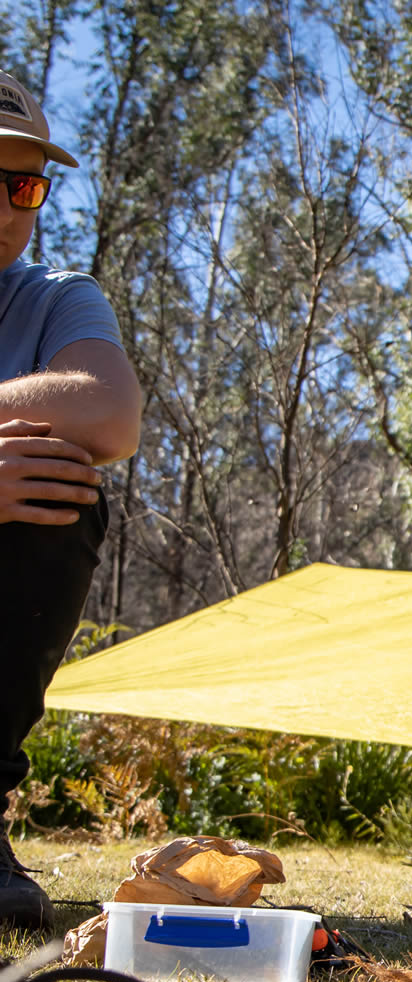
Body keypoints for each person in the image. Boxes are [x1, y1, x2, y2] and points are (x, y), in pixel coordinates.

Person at [0, 71, 142, 928]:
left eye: (24, 183)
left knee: (56, 475)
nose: (10, 206)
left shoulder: (55, 297)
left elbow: (108, 412)